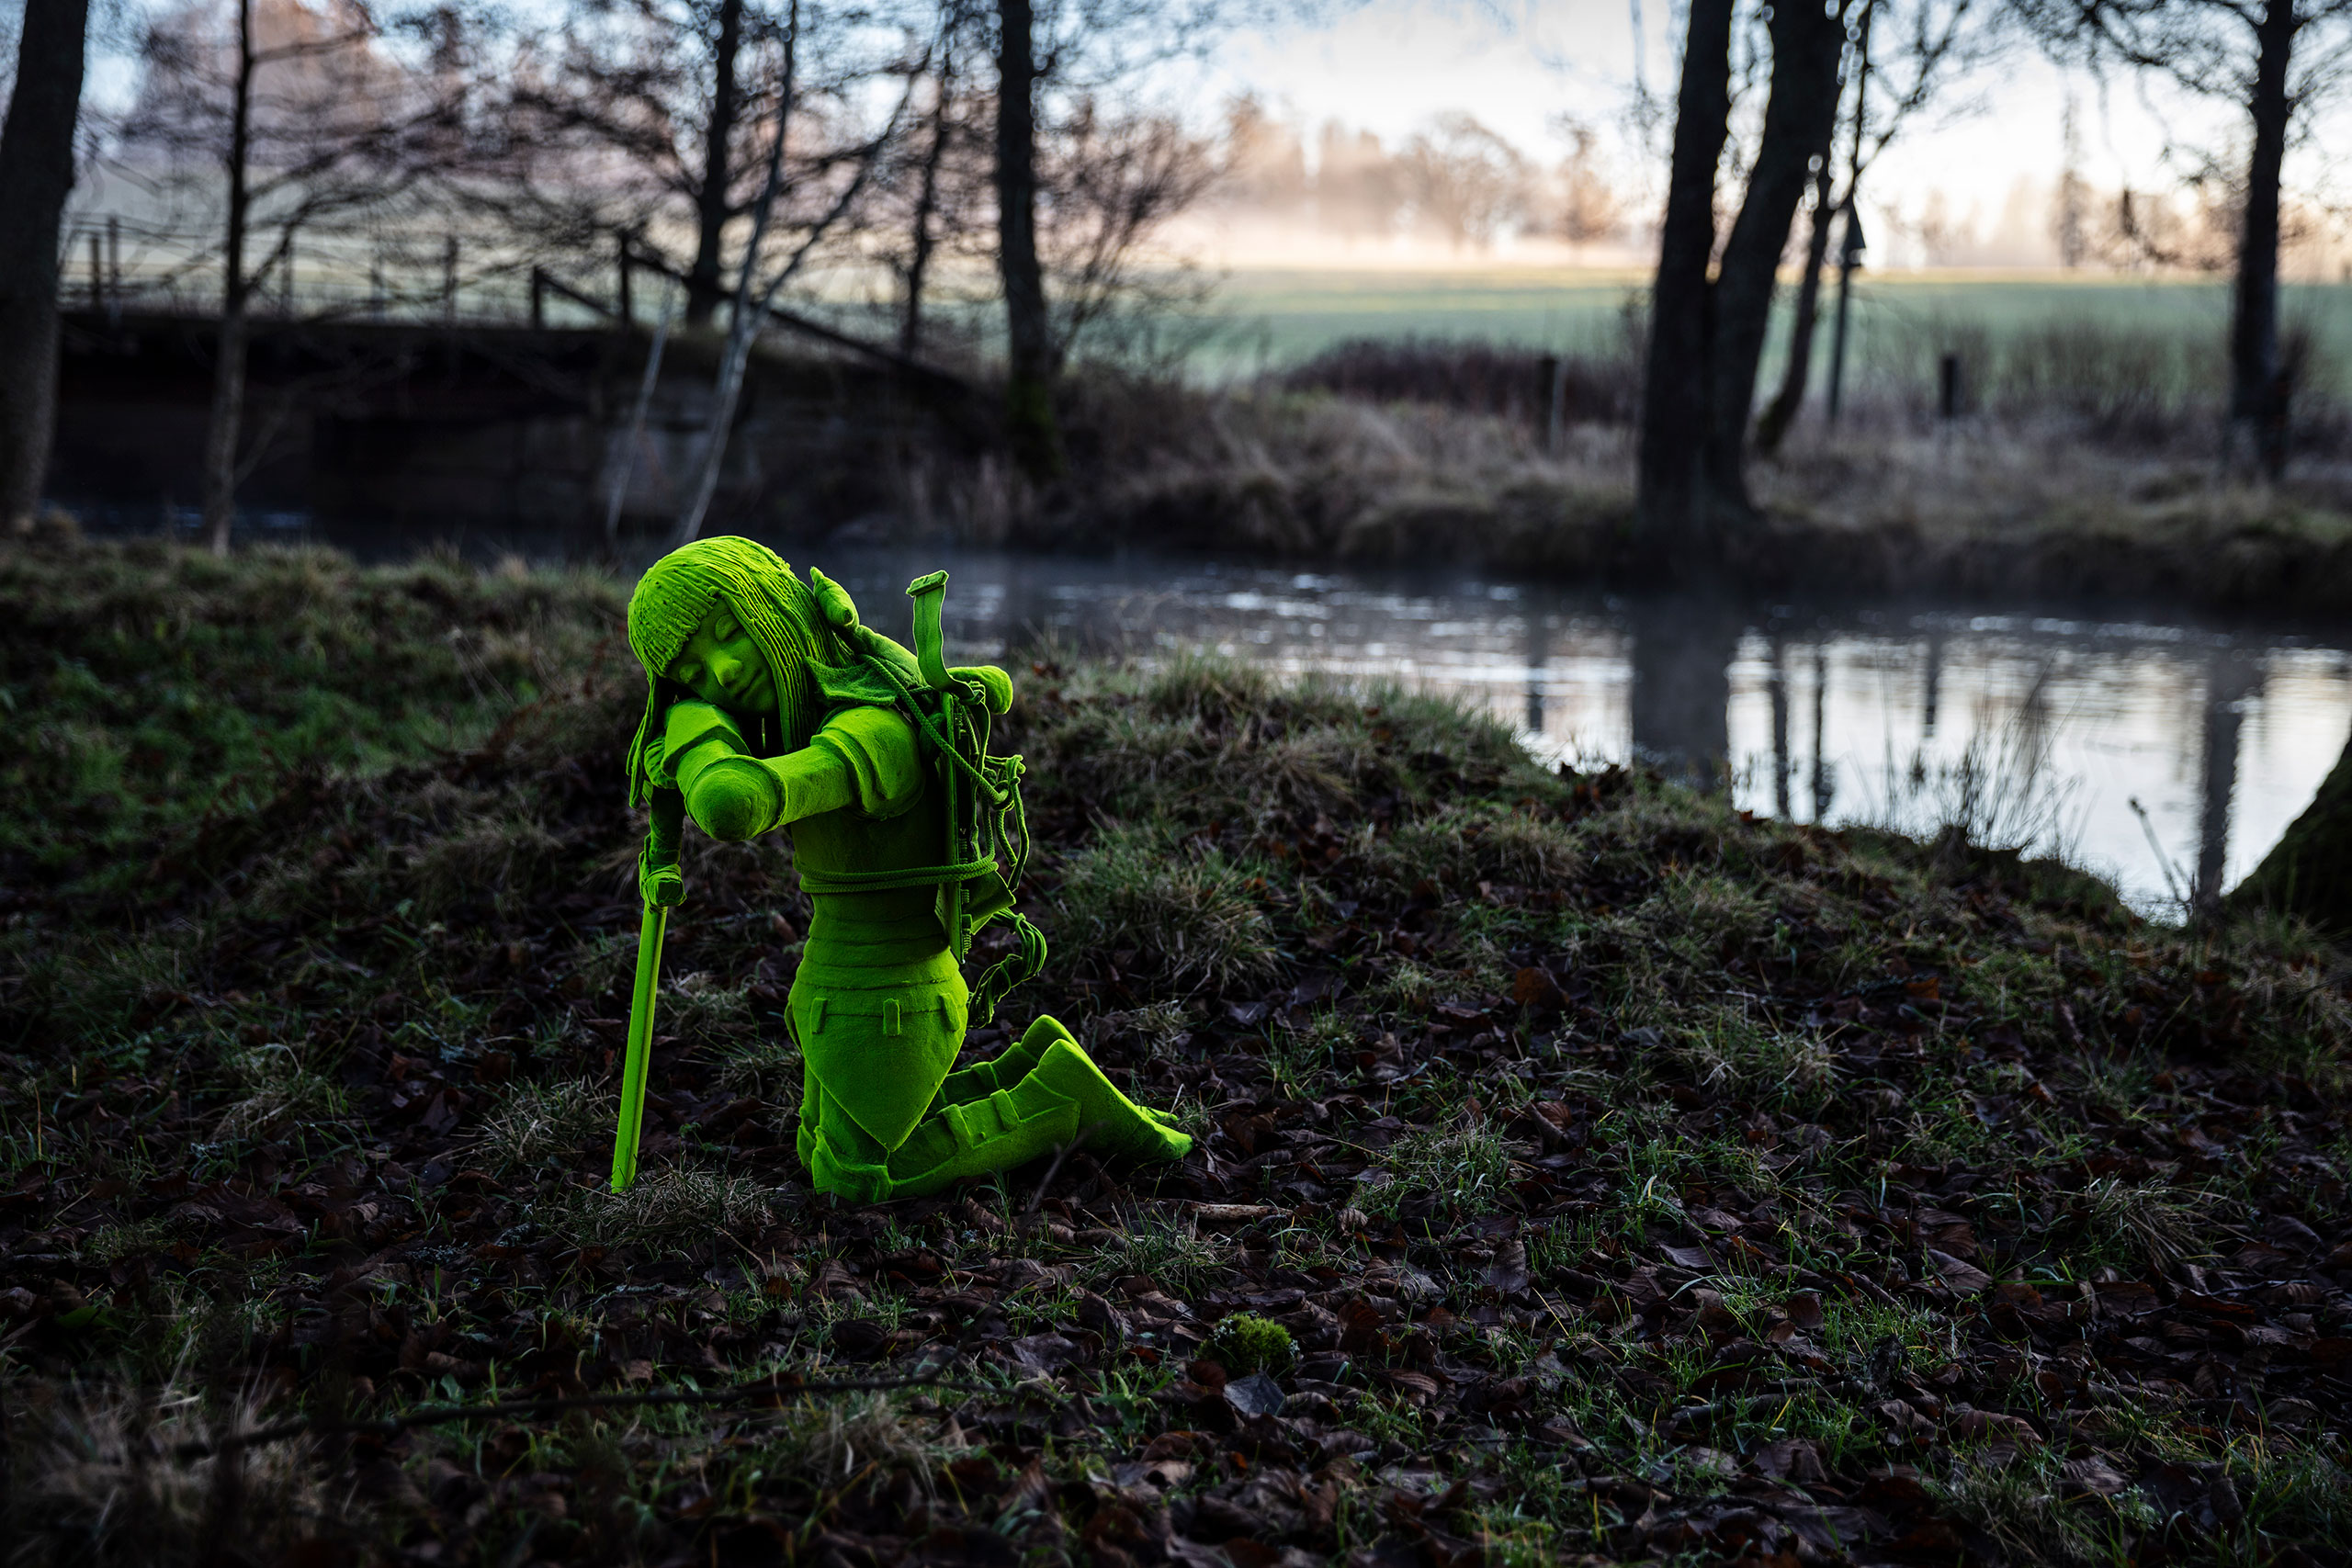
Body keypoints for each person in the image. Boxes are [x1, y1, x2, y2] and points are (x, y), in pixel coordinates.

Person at [624, 536, 1191, 1201]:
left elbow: (733, 802)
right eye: (691, 672)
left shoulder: (874, 730)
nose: (719, 673)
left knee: (855, 1177)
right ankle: (1030, 1066)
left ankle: (1057, 1101)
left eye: (729, 634)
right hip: (836, 992)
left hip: (891, 998)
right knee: (816, 1150)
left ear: (776, 610)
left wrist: (692, 727)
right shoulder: (801, 721)